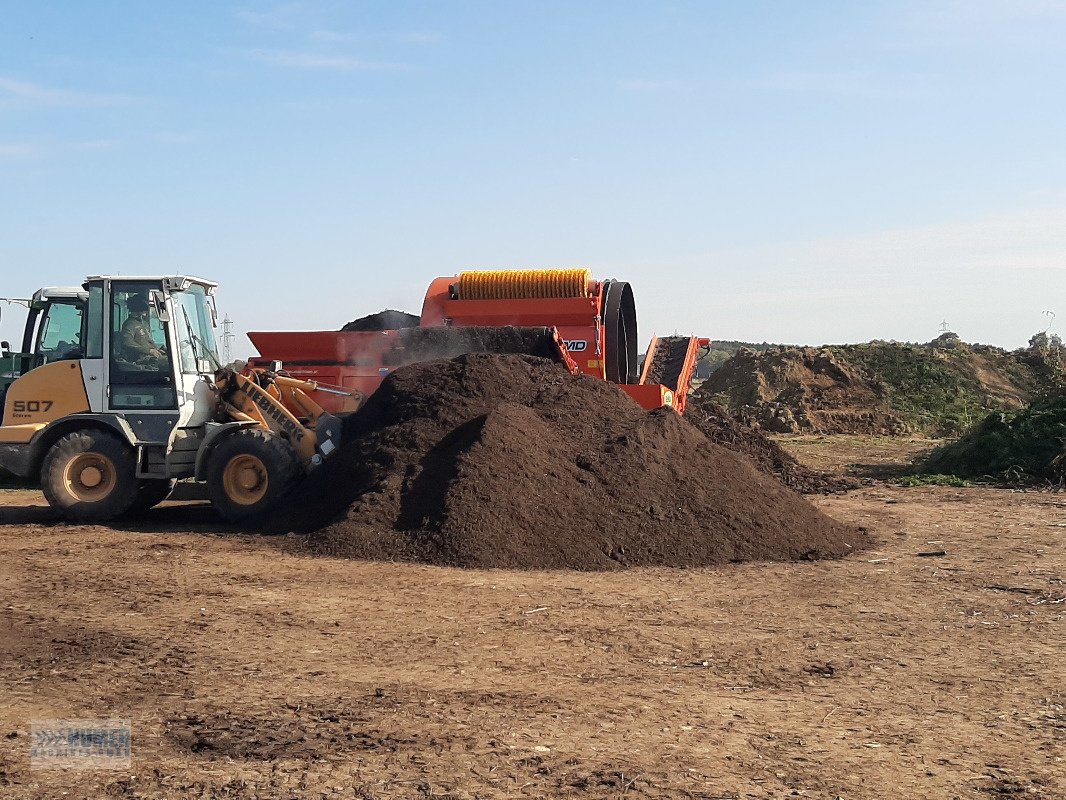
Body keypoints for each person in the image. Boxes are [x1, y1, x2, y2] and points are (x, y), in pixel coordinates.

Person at [120, 294, 166, 365]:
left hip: (150, 356)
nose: (145, 312)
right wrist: (149, 351)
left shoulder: (144, 323)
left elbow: (149, 340)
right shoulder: (129, 324)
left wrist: (156, 349)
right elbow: (128, 342)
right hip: (140, 359)